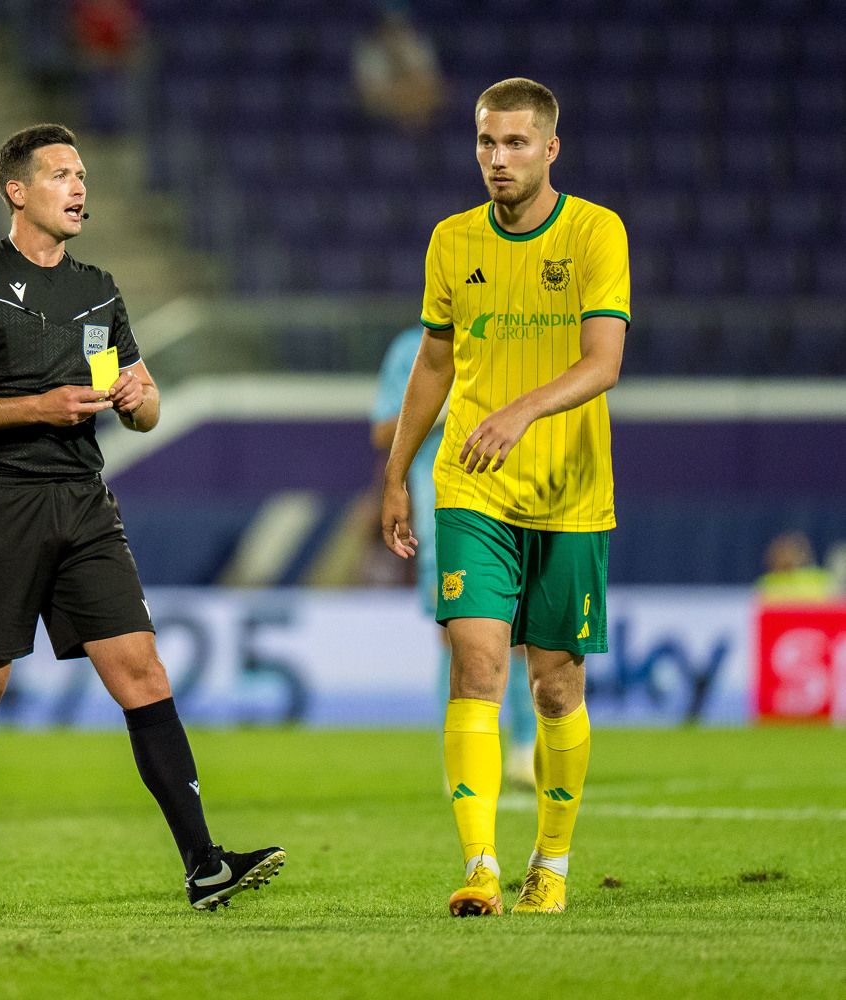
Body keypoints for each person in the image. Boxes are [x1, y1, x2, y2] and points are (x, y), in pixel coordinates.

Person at [0, 123, 285, 914]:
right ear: (17, 191)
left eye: (82, 174)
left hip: (83, 501)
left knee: (143, 672)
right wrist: (37, 406)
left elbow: (145, 407)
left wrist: (140, 399)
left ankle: (203, 864)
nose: (79, 187)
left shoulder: (99, 289)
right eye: (60, 174)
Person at [380, 78, 630, 917]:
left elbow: (604, 361)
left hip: (569, 492)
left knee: (556, 685)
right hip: (472, 486)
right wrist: (395, 475)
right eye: (487, 142)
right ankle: (481, 864)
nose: (498, 158)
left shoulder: (597, 232)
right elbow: (437, 362)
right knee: (477, 664)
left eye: (517, 143)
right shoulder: (452, 240)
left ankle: (549, 866)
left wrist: (523, 411)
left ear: (551, 148)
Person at [372, 327, 536, 785]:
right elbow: (382, 428)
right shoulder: (411, 348)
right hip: (442, 503)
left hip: (512, 495)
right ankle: (460, 753)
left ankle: (525, 749)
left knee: (517, 628)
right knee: (455, 631)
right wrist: (440, 409)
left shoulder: (508, 331)